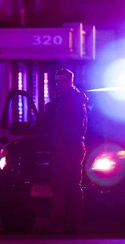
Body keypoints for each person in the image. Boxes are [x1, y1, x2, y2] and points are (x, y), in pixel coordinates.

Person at [47, 68, 88, 234]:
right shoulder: (68, 99)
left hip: (69, 147)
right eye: (57, 81)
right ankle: (70, 224)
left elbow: (71, 127)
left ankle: (61, 225)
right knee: (70, 186)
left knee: (63, 185)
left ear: (71, 81)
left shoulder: (72, 100)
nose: (59, 84)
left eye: (63, 81)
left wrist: (62, 143)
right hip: (68, 146)